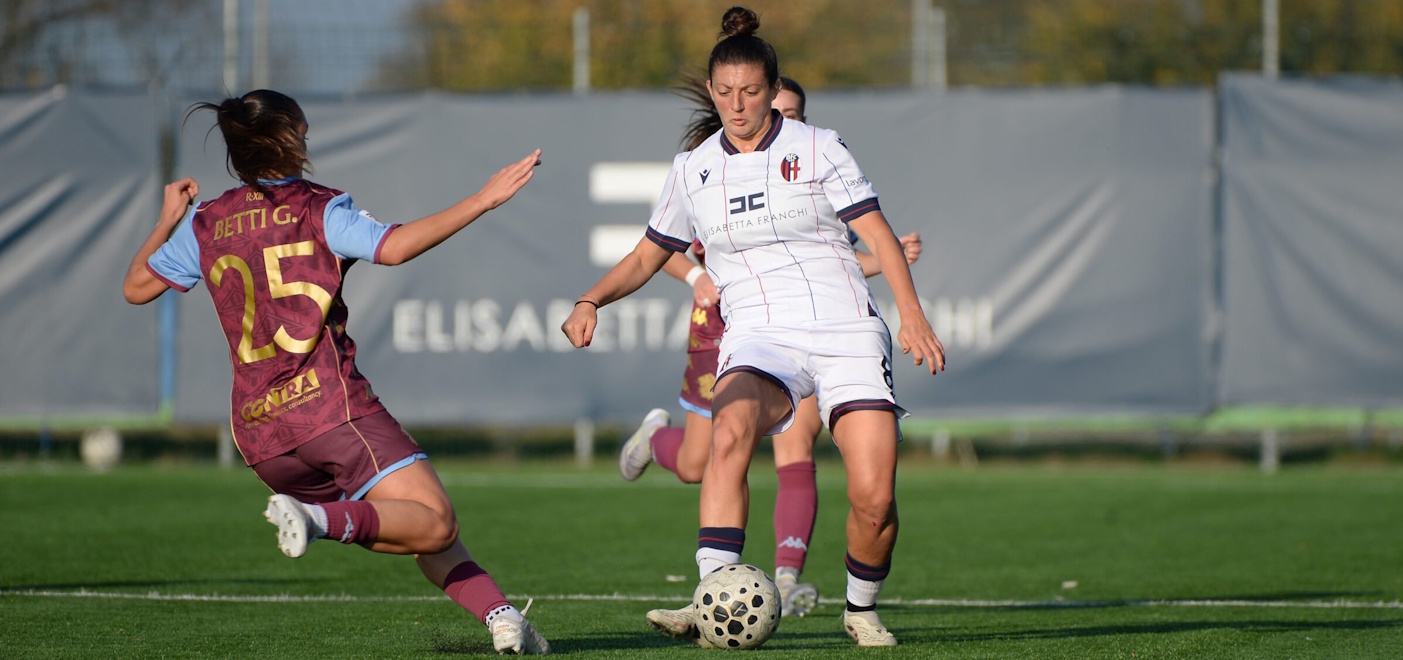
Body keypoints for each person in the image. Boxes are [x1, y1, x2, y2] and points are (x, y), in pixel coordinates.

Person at [562, 8, 944, 648]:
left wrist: (911, 313)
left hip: (846, 330)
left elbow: (875, 232)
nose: (738, 106)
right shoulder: (693, 169)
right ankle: (712, 595)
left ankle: (860, 606)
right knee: (729, 427)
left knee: (874, 495)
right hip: (760, 334)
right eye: (726, 92)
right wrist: (590, 300)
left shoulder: (820, 146)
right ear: (712, 92)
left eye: (752, 92)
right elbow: (646, 255)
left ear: (772, 91)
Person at [122, 90, 550, 655]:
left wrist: (165, 221)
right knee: (434, 522)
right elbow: (393, 247)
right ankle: (315, 519)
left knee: (400, 524)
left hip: (260, 435)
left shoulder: (206, 222)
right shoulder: (317, 207)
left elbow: (136, 288)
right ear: (293, 134)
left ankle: (502, 618)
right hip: (330, 409)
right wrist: (483, 199)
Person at [616, 74, 924, 621]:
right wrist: (696, 279)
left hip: (813, 334)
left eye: (793, 112)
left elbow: (840, 262)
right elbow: (656, 250)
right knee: (699, 459)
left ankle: (786, 578)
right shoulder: (706, 168)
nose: (780, 117)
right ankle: (656, 441)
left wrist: (891, 257)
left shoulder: (812, 165)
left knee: (797, 448)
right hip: (725, 326)